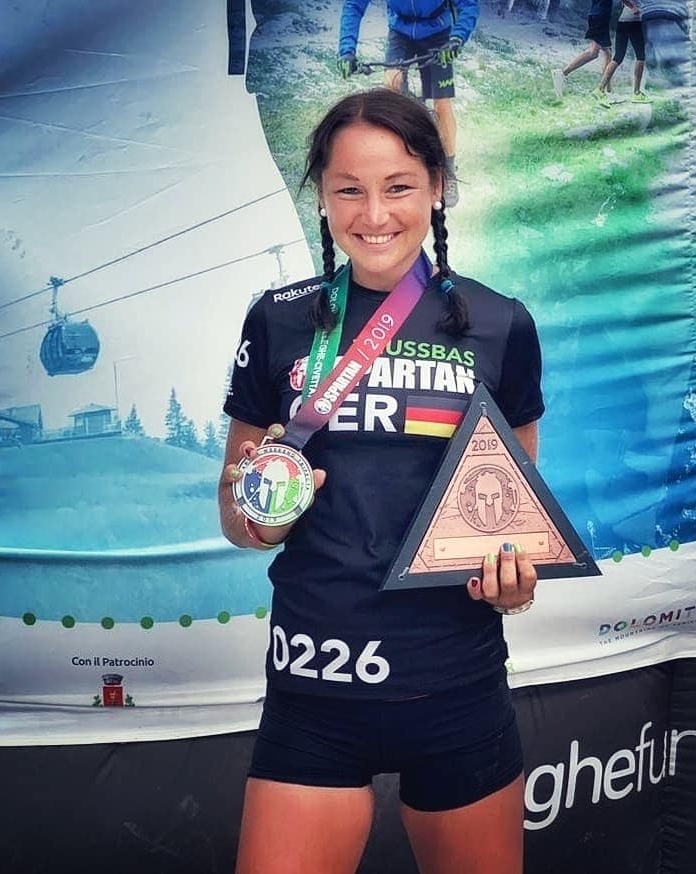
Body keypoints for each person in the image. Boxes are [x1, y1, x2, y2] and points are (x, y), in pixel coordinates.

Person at [219, 88, 544, 874]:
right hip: (315, 681)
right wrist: (262, 513)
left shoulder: (502, 323)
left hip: (454, 682)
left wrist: (514, 580)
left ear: (436, 187)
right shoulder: (277, 320)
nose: (373, 215)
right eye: (348, 189)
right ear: (321, 196)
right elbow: (237, 514)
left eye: (398, 186)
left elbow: (518, 523)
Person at [337, 0, 480, 208]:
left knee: (441, 103)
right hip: (400, 31)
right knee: (392, 90)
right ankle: (398, 158)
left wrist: (457, 38)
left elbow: (468, 4)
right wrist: (347, 51)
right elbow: (353, 5)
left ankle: (448, 170)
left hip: (438, 33)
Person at [552, 0, 637, 97]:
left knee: (608, 53)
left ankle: (608, 91)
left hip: (599, 15)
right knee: (593, 52)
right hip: (600, 16)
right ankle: (562, 73)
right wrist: (632, 7)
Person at [590, 1, 651, 107]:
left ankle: (600, 89)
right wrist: (632, 7)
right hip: (633, 22)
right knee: (640, 56)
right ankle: (636, 93)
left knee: (618, 57)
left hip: (622, 21)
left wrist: (629, 6)